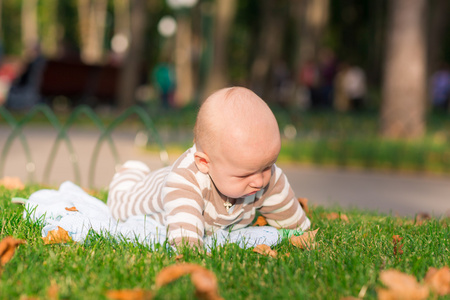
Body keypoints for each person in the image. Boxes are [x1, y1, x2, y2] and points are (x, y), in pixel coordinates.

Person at [107, 87, 311, 248]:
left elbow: (286, 211)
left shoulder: (267, 178)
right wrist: (190, 249)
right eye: (245, 174)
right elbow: (185, 238)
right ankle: (130, 171)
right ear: (205, 163)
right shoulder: (184, 183)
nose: (259, 180)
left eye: (267, 166)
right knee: (120, 203)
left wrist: (301, 230)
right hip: (149, 194)